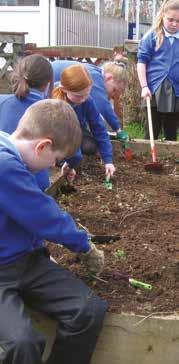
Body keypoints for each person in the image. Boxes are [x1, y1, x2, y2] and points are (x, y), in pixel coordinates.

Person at [0, 98, 106, 364]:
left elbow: (22, 218)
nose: (53, 167)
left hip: (25, 262)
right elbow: (43, 214)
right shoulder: (4, 165)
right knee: (22, 343)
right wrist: (84, 245)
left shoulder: (13, 156)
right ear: (43, 146)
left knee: (88, 310)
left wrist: (38, 248)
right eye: (56, 160)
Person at [52, 64, 116, 180]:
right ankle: (60, 161)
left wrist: (108, 160)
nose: (83, 99)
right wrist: (71, 162)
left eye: (87, 94)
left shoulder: (87, 101)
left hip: (77, 130)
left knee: (90, 146)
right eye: (78, 96)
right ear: (64, 90)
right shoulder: (54, 103)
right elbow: (66, 135)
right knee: (69, 155)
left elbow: (99, 128)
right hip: (56, 136)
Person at [0, 54, 53, 190]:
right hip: (34, 185)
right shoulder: (49, 111)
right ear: (47, 84)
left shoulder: (3, 101)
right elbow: (73, 153)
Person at [51, 59, 129, 142]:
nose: (113, 96)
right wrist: (118, 129)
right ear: (109, 78)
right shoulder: (95, 76)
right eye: (114, 90)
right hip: (47, 80)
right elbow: (103, 106)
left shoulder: (94, 72)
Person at [137, 0, 179, 141]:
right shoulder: (152, 36)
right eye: (170, 20)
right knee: (152, 130)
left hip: (176, 91)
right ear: (162, 16)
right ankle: (149, 157)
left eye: (178, 21)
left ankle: (171, 160)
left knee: (171, 131)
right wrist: (144, 86)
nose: (174, 24)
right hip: (154, 89)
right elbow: (141, 62)